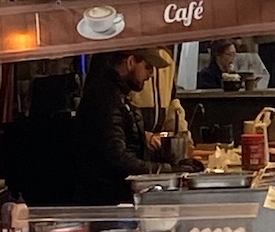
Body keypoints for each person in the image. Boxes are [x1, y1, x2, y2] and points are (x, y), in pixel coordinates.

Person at [74, 48, 200, 204]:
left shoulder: (116, 96)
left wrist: (171, 166)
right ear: (131, 62)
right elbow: (118, 159)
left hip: (114, 197)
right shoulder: (106, 101)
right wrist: (167, 170)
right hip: (108, 202)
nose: (151, 74)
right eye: (148, 67)